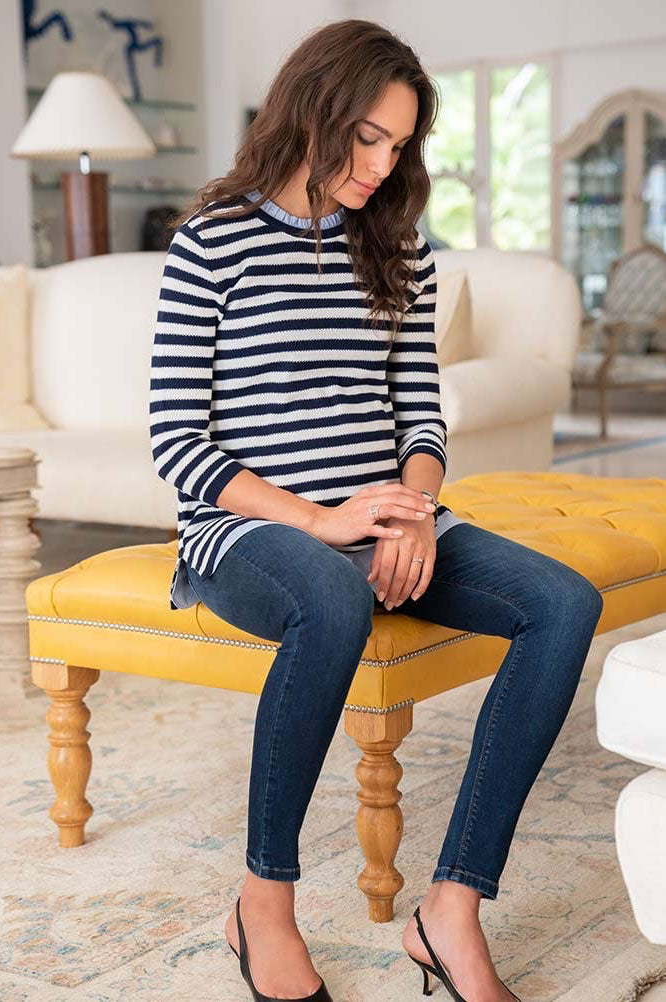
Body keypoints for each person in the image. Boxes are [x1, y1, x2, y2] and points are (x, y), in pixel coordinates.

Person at [149, 18, 603, 1002]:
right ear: (311, 111)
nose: (380, 165)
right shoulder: (211, 241)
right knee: (330, 595)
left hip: (391, 519)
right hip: (250, 531)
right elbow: (176, 444)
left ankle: (449, 911)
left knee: (564, 603)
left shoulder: (396, 247)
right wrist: (320, 523)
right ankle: (262, 906)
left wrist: (413, 513)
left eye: (397, 145)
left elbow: (420, 415)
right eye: (365, 137)